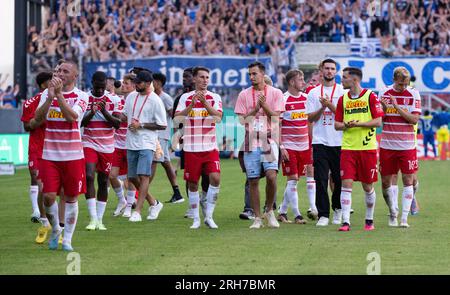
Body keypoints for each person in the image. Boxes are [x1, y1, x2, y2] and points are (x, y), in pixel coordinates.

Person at [34, 60, 89, 251]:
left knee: (72, 198)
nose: (60, 73)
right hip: (49, 156)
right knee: (48, 197)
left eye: (65, 71)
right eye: (58, 70)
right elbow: (37, 119)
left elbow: (72, 117)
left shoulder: (82, 96)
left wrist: (58, 96)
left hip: (73, 156)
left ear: (75, 76)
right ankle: (56, 229)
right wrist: (50, 98)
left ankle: (67, 239)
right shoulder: (45, 95)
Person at [234, 61, 284, 229]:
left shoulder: (276, 93)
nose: (251, 77)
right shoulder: (244, 95)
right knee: (253, 180)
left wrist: (264, 106)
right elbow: (242, 121)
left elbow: (277, 118)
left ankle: (269, 210)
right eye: (249, 74)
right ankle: (257, 217)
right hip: (251, 140)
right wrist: (255, 109)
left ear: (263, 74)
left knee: (271, 176)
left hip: (269, 140)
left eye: (254, 74)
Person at [334, 67, 384, 231]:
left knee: (367, 186)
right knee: (346, 184)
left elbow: (378, 122)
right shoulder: (343, 100)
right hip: (348, 148)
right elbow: (337, 125)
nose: (342, 80)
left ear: (354, 80)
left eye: (344, 78)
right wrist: (346, 125)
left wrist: (360, 124)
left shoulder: (370, 96)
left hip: (367, 148)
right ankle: (345, 222)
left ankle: (369, 219)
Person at [174, 66, 223, 229]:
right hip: (191, 148)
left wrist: (204, 103)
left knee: (215, 178)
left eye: (207, 77)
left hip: (210, 147)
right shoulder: (185, 98)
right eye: (201, 77)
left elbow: (218, 118)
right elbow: (177, 119)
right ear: (194, 79)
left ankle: (209, 216)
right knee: (193, 183)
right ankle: (196, 218)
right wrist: (192, 105)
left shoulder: (214, 97)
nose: (205, 80)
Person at [379, 67, 421, 228]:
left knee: (408, 179)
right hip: (387, 144)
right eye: (401, 84)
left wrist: (397, 107)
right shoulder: (383, 92)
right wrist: (383, 108)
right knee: (385, 181)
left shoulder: (413, 93)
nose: (404, 87)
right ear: (394, 80)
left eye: (406, 83)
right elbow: (379, 118)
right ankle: (392, 212)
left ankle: (404, 218)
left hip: (407, 144)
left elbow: (414, 119)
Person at [306, 58, 345, 226]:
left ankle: (338, 209)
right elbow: (309, 118)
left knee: (339, 179)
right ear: (321, 71)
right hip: (320, 140)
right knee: (320, 179)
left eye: (332, 69)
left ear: (336, 72)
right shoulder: (314, 93)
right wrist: (322, 108)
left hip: (339, 141)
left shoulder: (343, 92)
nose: (329, 71)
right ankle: (323, 214)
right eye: (327, 68)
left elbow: (345, 116)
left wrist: (329, 105)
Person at [123, 70, 166, 222]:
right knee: (132, 177)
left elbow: (162, 125)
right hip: (131, 142)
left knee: (143, 175)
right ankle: (154, 203)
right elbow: (124, 115)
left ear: (148, 84)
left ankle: (138, 211)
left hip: (147, 142)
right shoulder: (131, 97)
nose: (136, 84)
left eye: (139, 82)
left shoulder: (155, 100)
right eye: (135, 82)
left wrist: (141, 125)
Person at [81, 71, 122, 231]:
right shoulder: (84, 98)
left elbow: (117, 124)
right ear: (92, 83)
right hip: (89, 142)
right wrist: (92, 112)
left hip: (107, 146)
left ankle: (99, 219)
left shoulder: (113, 99)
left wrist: (104, 111)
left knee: (103, 181)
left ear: (106, 85)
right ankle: (92, 219)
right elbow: (80, 123)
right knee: (89, 176)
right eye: (97, 87)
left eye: (102, 88)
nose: (99, 91)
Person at [278, 69, 317, 224]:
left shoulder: (307, 99)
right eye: (300, 79)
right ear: (292, 82)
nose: (303, 82)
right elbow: (278, 125)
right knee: (293, 178)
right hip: (289, 146)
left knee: (298, 179)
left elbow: (310, 122)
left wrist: (312, 142)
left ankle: (282, 211)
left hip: (305, 145)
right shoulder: (283, 99)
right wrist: (281, 146)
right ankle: (297, 215)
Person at [172, 68, 210, 218]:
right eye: (182, 77)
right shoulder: (181, 98)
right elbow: (175, 120)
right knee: (190, 175)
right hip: (187, 140)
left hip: (205, 140)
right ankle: (191, 205)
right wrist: (177, 135)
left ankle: (205, 199)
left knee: (207, 175)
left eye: (186, 77)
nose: (184, 80)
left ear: (193, 78)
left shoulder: (209, 97)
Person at [21, 71, 53, 243]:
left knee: (52, 189)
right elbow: (27, 126)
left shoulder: (60, 100)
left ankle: (54, 220)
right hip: (37, 148)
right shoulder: (30, 103)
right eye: (51, 80)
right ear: (43, 85)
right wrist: (39, 119)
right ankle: (43, 219)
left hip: (55, 148)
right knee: (40, 182)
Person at [150, 72, 184, 203]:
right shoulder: (152, 97)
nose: (151, 84)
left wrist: (176, 136)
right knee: (166, 163)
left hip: (161, 136)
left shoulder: (165, 98)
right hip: (155, 136)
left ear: (158, 83)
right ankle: (177, 193)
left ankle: (140, 192)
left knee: (153, 162)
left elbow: (174, 117)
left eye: (153, 81)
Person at [109, 73, 137, 218]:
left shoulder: (137, 101)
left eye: (126, 83)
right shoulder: (118, 101)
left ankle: (129, 207)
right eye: (123, 83)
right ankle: (122, 200)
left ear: (134, 86)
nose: (123, 86)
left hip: (132, 145)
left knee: (131, 178)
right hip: (117, 145)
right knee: (112, 175)